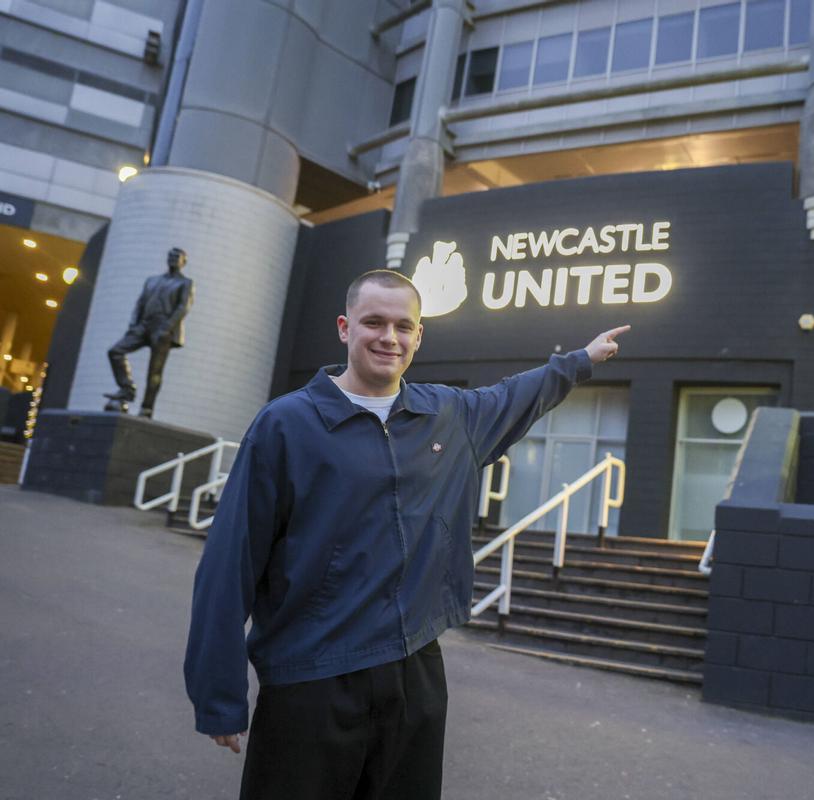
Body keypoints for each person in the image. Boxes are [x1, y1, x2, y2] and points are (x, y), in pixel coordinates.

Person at [184, 268, 628, 799]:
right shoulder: (286, 424)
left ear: (419, 337)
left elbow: (517, 395)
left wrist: (580, 361)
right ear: (346, 328)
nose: (388, 338)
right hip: (312, 678)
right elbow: (230, 560)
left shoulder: (448, 415)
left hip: (414, 669)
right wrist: (219, 694)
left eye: (403, 326)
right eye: (373, 322)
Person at [104, 246, 194, 417]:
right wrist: (133, 325)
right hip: (144, 325)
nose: (173, 258)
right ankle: (127, 388)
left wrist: (167, 327)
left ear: (184, 262)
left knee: (155, 371)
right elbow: (140, 303)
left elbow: (183, 307)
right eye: (171, 255)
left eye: (177, 256)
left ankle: (147, 407)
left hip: (163, 328)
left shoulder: (185, 283)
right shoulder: (152, 280)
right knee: (115, 351)